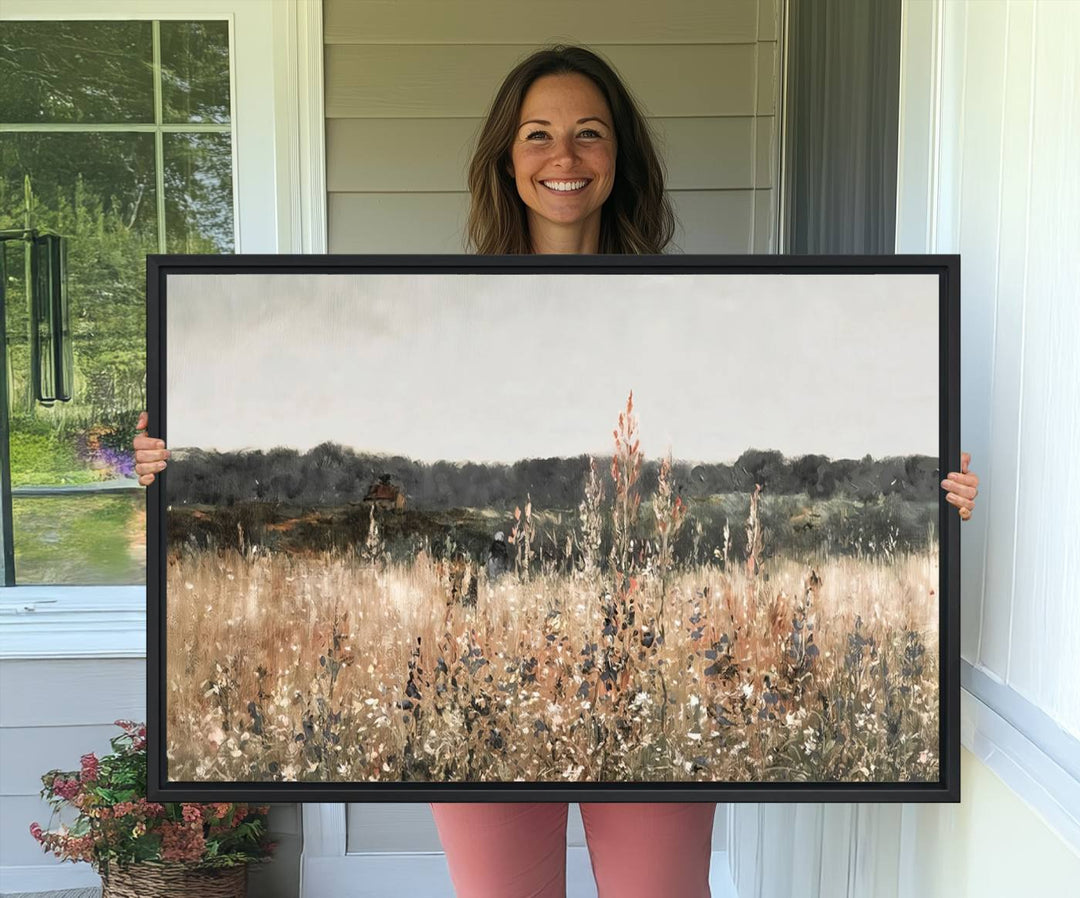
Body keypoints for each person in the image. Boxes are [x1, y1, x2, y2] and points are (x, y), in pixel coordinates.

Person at [133, 45, 980, 898]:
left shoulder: (687, 312)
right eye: (538, 135)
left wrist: (925, 500)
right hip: (478, 667)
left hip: (652, 655)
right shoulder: (448, 314)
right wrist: (182, 469)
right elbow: (361, 431)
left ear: (619, 159)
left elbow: (763, 431)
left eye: (588, 134)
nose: (563, 157)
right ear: (508, 158)